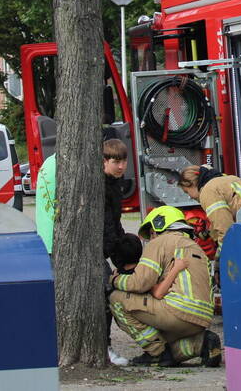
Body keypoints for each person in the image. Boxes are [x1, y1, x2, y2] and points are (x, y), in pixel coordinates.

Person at [109, 206, 221, 367]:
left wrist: (114, 280)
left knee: (116, 299)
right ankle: (201, 343)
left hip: (177, 313)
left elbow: (140, 283)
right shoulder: (196, 248)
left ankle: (156, 353)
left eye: (151, 233)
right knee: (164, 343)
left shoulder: (160, 242)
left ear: (159, 225)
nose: (151, 238)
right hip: (202, 319)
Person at [177, 165, 241, 252]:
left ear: (191, 184)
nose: (190, 196)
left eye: (187, 192)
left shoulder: (208, 191)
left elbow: (225, 229)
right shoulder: (227, 179)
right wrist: (209, 233)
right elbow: (223, 218)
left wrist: (221, 256)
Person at [102, 139, 132, 366]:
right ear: (104, 162)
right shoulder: (102, 186)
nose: (121, 166)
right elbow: (107, 225)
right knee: (105, 296)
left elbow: (115, 221)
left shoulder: (115, 183)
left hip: (106, 248)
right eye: (116, 162)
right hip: (97, 250)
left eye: (123, 161)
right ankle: (104, 347)